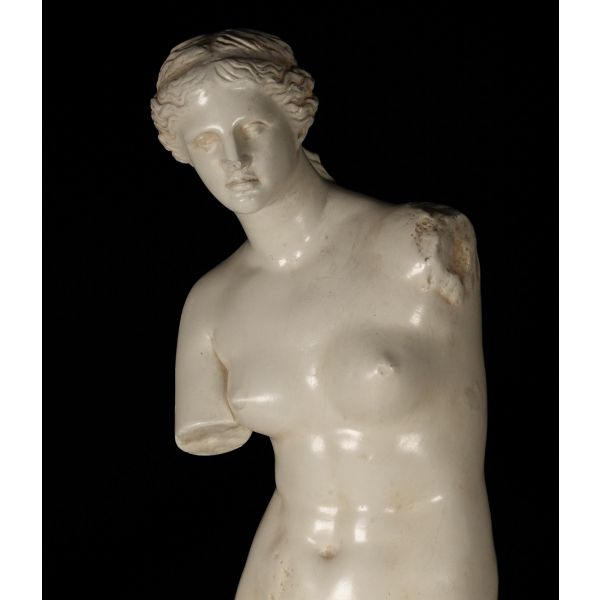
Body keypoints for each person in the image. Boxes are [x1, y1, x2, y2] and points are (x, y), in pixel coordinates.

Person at [151, 29, 497, 599]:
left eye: (251, 128)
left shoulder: (420, 245)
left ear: (295, 121)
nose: (234, 159)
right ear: (183, 153)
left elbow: (454, 470)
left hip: (421, 576)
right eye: (207, 142)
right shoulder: (211, 303)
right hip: (283, 580)